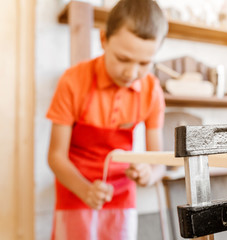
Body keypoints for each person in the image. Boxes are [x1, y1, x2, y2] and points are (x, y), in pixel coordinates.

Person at [46, 0, 168, 239]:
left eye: (144, 63)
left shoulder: (152, 90)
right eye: (123, 59)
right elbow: (55, 156)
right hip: (75, 191)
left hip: (121, 196)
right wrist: (84, 190)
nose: (131, 73)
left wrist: (149, 174)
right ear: (103, 40)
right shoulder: (73, 81)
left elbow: (159, 162)